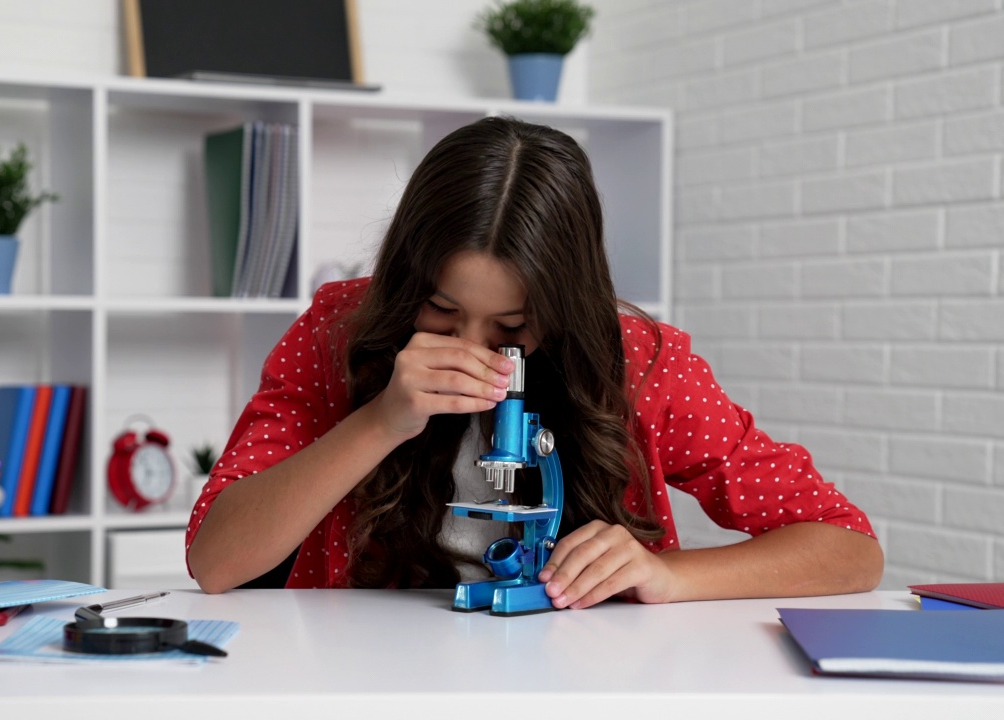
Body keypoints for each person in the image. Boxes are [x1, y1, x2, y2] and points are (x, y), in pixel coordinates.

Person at [186, 116, 883, 609]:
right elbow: (216, 563)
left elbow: (848, 548)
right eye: (441, 310)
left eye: (512, 328)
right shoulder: (337, 330)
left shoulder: (641, 361)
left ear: (564, 307)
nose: (473, 349)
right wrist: (380, 422)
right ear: (405, 282)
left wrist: (670, 575)